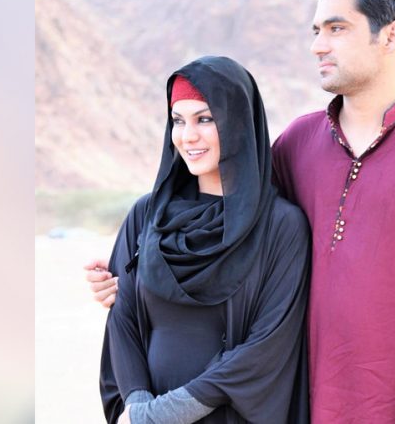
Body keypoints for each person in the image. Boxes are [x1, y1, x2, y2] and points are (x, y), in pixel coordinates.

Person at [89, 0, 395, 423]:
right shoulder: (296, 144)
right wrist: (138, 272)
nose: (317, 45)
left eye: (336, 28)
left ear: (390, 36)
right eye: (316, 30)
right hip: (297, 407)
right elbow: (234, 229)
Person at [96, 56, 311, 424]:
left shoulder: (280, 225)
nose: (188, 136)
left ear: (238, 122)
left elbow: (265, 346)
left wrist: (160, 416)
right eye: (178, 121)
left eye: (205, 119)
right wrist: (137, 405)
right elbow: (123, 318)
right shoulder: (147, 214)